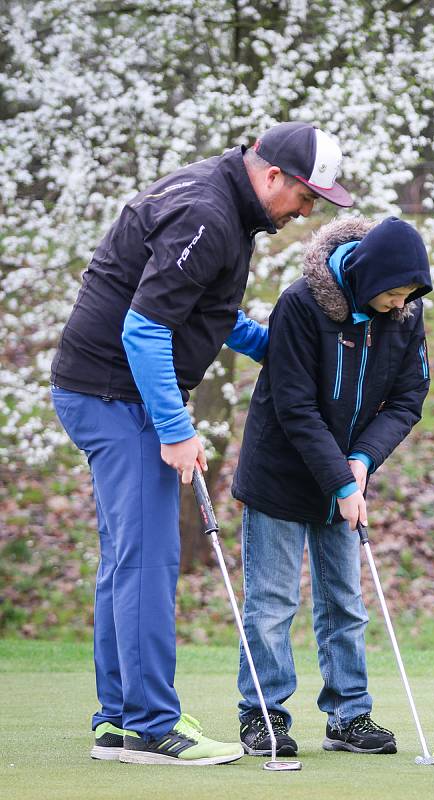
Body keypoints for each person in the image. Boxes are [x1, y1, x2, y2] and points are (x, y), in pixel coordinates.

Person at [50, 122, 354, 765]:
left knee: (125, 563)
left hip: (101, 391)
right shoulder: (208, 213)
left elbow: (208, 315)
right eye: (308, 197)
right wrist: (176, 428)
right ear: (274, 176)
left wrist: (277, 351)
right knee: (149, 562)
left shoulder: (226, 209)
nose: (309, 211)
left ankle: (117, 718)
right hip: (116, 395)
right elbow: (144, 329)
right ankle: (154, 727)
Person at [231, 215, 432, 757]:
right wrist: (343, 480)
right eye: (393, 293)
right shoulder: (301, 304)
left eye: (409, 295)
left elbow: (410, 398)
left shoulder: (405, 314)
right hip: (279, 472)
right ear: (367, 278)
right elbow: (295, 407)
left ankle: (349, 717)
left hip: (345, 476)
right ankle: (264, 716)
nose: (400, 304)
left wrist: (363, 460)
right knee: (271, 604)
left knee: (345, 603)